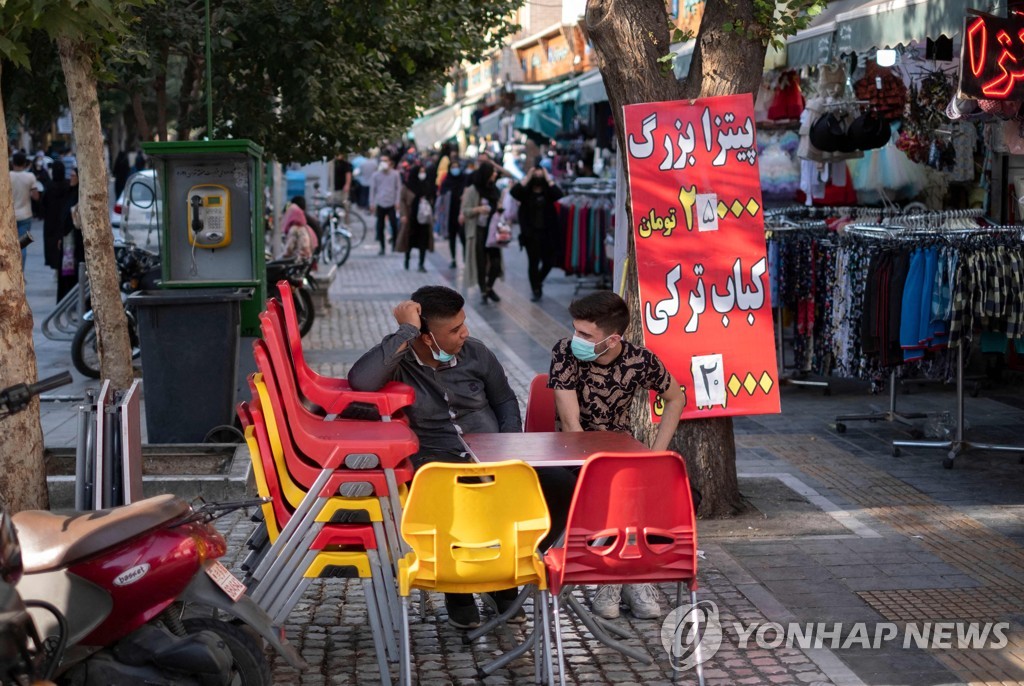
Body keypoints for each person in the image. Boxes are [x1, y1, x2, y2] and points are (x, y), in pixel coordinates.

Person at [348, 285, 575, 630]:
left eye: (463, 324)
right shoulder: (400, 360)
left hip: (494, 455)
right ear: (426, 337)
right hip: (437, 463)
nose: (464, 333)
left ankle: (507, 568)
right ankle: (459, 587)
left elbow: (504, 401)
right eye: (454, 330)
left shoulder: (477, 354)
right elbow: (361, 382)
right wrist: (406, 331)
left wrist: (508, 443)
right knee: (458, 497)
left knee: (563, 485)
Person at [548, 291, 685, 621]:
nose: (575, 339)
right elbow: (570, 422)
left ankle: (618, 579)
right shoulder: (565, 353)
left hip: (622, 449)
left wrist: (657, 454)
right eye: (575, 330)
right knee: (614, 489)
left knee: (645, 485)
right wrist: (596, 469)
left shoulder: (640, 360)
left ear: (612, 340)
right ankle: (617, 576)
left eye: (585, 334)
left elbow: (676, 397)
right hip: (572, 450)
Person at [510, 166, 563, 302]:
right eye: (536, 175)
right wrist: (528, 175)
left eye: (540, 175)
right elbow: (514, 192)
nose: (538, 177)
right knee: (533, 262)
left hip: (548, 234)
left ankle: (537, 281)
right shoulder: (525, 193)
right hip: (530, 234)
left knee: (549, 261)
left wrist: (547, 177)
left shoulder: (548, 193)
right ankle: (536, 289)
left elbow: (559, 194)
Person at [459, 160, 503, 304]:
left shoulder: (495, 190)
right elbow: (465, 211)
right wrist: (478, 209)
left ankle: (489, 287)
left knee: (496, 263)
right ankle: (484, 291)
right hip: (478, 230)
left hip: (493, 230)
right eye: (493, 171)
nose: (495, 174)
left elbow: (498, 206)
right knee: (480, 262)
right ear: (486, 174)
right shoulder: (473, 190)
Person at [397, 164, 434, 273]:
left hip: (424, 219)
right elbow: (402, 200)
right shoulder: (407, 186)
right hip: (411, 218)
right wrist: (403, 214)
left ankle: (421, 264)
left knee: (423, 242)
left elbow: (431, 199)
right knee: (409, 240)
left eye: (423, 171)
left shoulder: (427, 185)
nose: (422, 174)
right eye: (420, 172)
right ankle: (407, 259)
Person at [10, 152, 41, 269]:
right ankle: (20, 271)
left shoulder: (7, 175)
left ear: (13, 163)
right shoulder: (30, 177)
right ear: (24, 163)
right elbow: (36, 196)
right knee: (22, 244)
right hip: (25, 215)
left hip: (9, 216)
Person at [369, 156, 401, 255]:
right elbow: (372, 190)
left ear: (390, 162)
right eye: (382, 161)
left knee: (394, 225)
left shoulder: (395, 174)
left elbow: (398, 188)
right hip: (380, 203)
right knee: (380, 226)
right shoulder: (376, 175)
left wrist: (397, 201)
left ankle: (395, 244)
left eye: (385, 161)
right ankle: (382, 247)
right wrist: (372, 203)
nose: (384, 162)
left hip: (391, 203)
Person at [439, 160, 467, 269]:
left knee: (463, 237)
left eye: (457, 166)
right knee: (452, 238)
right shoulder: (447, 181)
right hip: (450, 214)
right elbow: (442, 193)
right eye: (453, 167)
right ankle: (453, 259)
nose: (455, 169)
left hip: (462, 213)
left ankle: (465, 258)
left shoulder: (464, 179)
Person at [280, 196, 317, 261]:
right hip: (307, 259)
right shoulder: (305, 227)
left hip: (298, 259)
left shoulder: (294, 229)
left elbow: (289, 249)